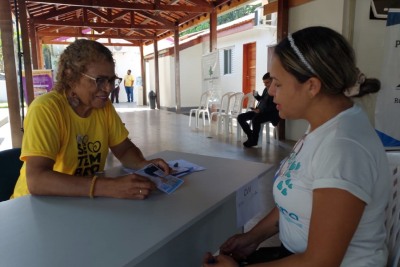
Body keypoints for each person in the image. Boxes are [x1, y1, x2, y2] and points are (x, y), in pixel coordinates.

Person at [203, 26, 390, 266]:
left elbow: (320, 262)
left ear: (312, 86)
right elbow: (297, 197)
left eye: (278, 84)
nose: (270, 91)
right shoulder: (323, 126)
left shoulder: (342, 148)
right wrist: (252, 237)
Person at [11, 39, 170, 200]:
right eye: (99, 80)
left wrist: (143, 165)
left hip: (80, 200)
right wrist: (109, 187)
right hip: (33, 205)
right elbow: (37, 180)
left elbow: (124, 149)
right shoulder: (46, 109)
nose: (108, 88)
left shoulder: (103, 107)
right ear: (70, 76)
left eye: (111, 80)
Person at [237, 73, 280, 147]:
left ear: (273, 81)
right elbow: (262, 100)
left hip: (271, 113)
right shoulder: (266, 89)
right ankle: (251, 136)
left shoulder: (277, 90)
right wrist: (256, 95)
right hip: (260, 111)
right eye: (264, 83)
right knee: (240, 117)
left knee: (255, 119)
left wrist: (261, 111)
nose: (265, 85)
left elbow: (275, 106)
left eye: (267, 82)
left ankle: (254, 140)